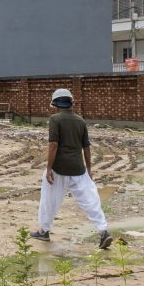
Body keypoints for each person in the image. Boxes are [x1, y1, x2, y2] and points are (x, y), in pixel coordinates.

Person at [32, 88, 113, 249]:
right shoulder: (80, 120)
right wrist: (88, 169)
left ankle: (44, 231)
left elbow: (53, 144)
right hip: (78, 168)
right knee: (91, 200)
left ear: (55, 103)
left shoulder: (55, 119)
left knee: (49, 200)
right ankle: (103, 231)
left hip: (58, 168)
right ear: (71, 102)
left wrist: (48, 169)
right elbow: (87, 147)